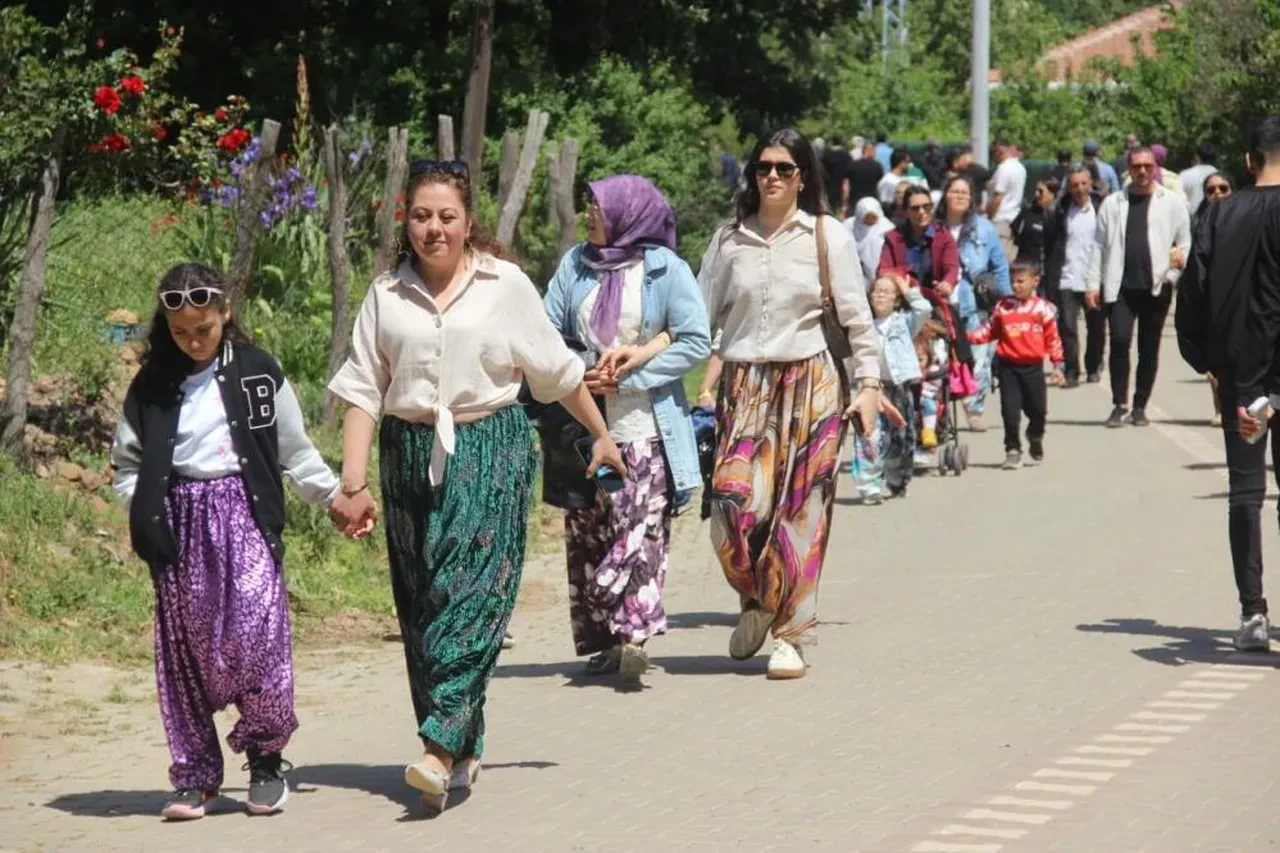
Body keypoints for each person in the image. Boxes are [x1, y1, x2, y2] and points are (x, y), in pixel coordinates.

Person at [327, 159, 626, 812]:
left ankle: (435, 745)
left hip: (490, 445)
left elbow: (554, 369)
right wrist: (352, 482)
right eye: (421, 216)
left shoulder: (505, 285)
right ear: (405, 220)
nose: (434, 228)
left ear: (469, 222)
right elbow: (359, 389)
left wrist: (599, 433)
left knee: (473, 595)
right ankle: (463, 743)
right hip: (407, 452)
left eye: (447, 216)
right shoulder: (386, 293)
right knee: (426, 602)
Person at [110, 263, 349, 820]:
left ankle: (266, 762)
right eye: (180, 332)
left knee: (259, 639)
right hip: (178, 526)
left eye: (204, 329)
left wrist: (335, 496)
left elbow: (294, 449)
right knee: (186, 655)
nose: (192, 341)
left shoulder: (257, 374)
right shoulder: (150, 388)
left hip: (246, 516)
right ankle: (196, 778)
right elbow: (127, 463)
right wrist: (145, 509)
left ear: (226, 313)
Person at [697, 127, 882, 680]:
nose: (771, 177)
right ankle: (757, 599)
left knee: (801, 513)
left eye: (783, 168)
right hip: (745, 387)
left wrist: (869, 384)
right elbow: (695, 318)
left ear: (802, 178)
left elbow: (857, 319)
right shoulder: (729, 240)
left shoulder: (827, 236)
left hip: (811, 386)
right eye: (763, 167)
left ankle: (791, 635)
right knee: (732, 507)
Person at [540, 175, 710, 683]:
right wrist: (578, 369)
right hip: (584, 422)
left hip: (648, 424)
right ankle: (609, 641)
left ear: (629, 214)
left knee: (639, 528)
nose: (590, 214)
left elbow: (694, 340)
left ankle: (634, 632)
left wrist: (633, 373)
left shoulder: (665, 269)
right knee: (591, 530)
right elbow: (546, 330)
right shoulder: (574, 265)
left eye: (599, 207)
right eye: (588, 206)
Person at [1175, 114, 1280, 652]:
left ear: (1247, 160)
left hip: (1242, 374)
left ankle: (1253, 613)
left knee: (1245, 492)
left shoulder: (1220, 215)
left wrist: (1206, 360)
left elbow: (1191, 292)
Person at [1086, 146, 1192, 428]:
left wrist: (1172, 273)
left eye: (1148, 166)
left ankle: (1140, 405)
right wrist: (1091, 284)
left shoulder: (1171, 201)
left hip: (1157, 286)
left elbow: (1184, 242)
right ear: (1129, 170)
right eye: (1137, 167)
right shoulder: (1113, 203)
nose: (1142, 171)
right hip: (1120, 286)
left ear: (1155, 167)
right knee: (1119, 341)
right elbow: (1098, 245)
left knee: (1149, 347)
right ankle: (1119, 403)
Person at [967, 258, 1066, 469]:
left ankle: (1035, 435)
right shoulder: (1003, 307)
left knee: (1038, 411)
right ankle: (1012, 449)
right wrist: (967, 337)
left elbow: (1053, 339)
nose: (1016, 286)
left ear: (1035, 281)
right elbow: (990, 331)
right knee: (1009, 411)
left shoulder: (1044, 309)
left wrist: (1058, 365)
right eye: (1013, 281)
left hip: (1033, 368)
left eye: (1021, 281)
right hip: (1008, 367)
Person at [934, 175, 1010, 432]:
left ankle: (974, 407)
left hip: (973, 304)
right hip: (939, 304)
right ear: (945, 195)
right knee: (938, 361)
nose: (959, 196)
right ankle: (938, 410)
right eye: (954, 191)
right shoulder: (934, 227)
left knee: (979, 359)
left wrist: (1007, 303)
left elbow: (999, 266)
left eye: (964, 192)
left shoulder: (984, 228)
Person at [851, 273, 931, 503]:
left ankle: (897, 479)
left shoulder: (904, 322)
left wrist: (909, 291)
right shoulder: (862, 324)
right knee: (868, 435)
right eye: (877, 291)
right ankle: (869, 487)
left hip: (897, 387)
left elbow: (923, 309)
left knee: (901, 436)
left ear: (896, 299)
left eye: (887, 292)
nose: (881, 296)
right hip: (871, 386)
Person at [1044, 165, 1106, 388]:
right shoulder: (1060, 211)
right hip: (1067, 276)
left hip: (1095, 278)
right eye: (1075, 185)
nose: (1080, 189)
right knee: (1067, 326)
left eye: (1083, 184)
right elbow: (1050, 246)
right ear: (1068, 188)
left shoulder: (1101, 209)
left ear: (1091, 184)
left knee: (1096, 326)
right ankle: (1071, 370)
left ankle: (1094, 365)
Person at [1191, 172, 1235, 426]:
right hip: (1209, 301)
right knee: (1214, 362)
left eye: (1223, 188)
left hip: (1240, 301)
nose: (1217, 193)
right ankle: (1220, 407)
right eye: (1210, 190)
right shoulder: (1200, 223)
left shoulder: (1246, 220)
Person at [987, 139, 1027, 262]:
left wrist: (989, 215)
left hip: (1000, 219)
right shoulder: (1020, 168)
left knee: (997, 262)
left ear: (999, 151)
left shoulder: (1004, 168)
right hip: (1014, 219)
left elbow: (998, 197)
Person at [1012, 177, 1061, 277]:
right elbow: (1014, 236)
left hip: (1046, 271)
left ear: (1052, 194)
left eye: (1041, 191)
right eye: (1035, 190)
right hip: (1024, 268)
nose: (1036, 194)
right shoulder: (1027, 213)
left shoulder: (1058, 217)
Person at [847, 197, 896, 281]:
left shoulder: (888, 228)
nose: (870, 220)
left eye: (873, 216)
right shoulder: (849, 226)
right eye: (867, 217)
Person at [822, 135, 856, 217]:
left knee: (831, 202)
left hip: (830, 181)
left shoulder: (827, 154)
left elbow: (823, 168)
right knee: (842, 202)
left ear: (832, 142)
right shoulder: (846, 154)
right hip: (843, 180)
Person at [1181, 142, 1219, 213]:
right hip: (1216, 216)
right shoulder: (1220, 176)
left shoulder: (1185, 175)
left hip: (1192, 218)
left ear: (1197, 156)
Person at [849, 141, 885, 206]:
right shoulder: (877, 166)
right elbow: (880, 184)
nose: (875, 154)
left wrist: (845, 204)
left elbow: (846, 185)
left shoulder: (853, 165)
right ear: (870, 150)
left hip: (855, 200)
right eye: (874, 151)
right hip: (872, 201)